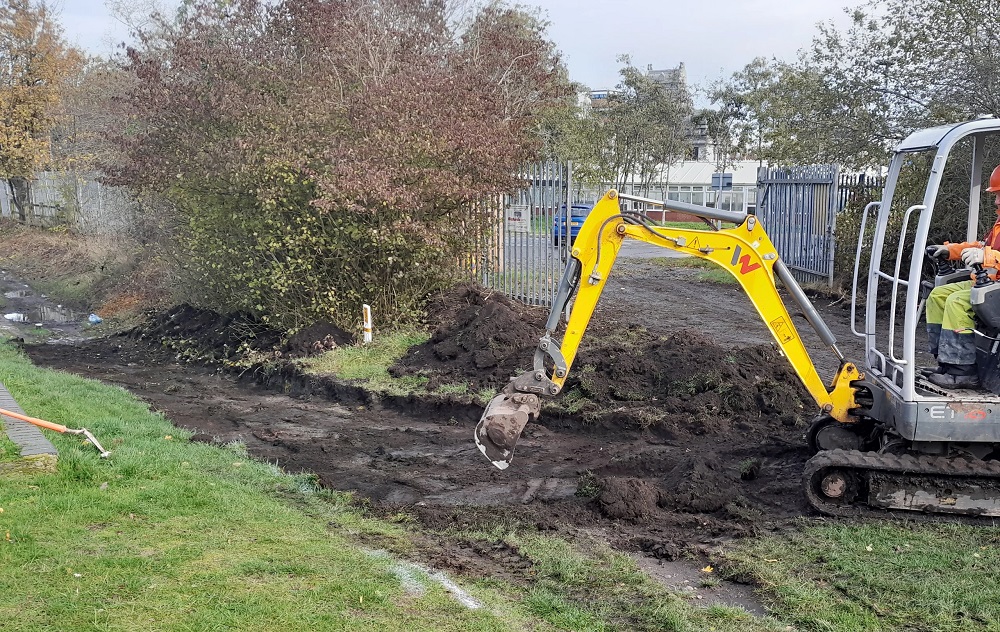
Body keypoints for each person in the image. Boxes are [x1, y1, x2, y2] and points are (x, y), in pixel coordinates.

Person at [924, 164, 1000, 388]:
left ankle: (963, 372)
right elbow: (981, 245)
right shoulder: (998, 224)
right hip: (988, 285)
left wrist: (986, 256)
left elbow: (986, 252)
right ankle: (947, 363)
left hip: (994, 288)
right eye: (995, 195)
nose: (995, 201)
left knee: (957, 302)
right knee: (938, 296)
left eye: (999, 195)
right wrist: (950, 250)